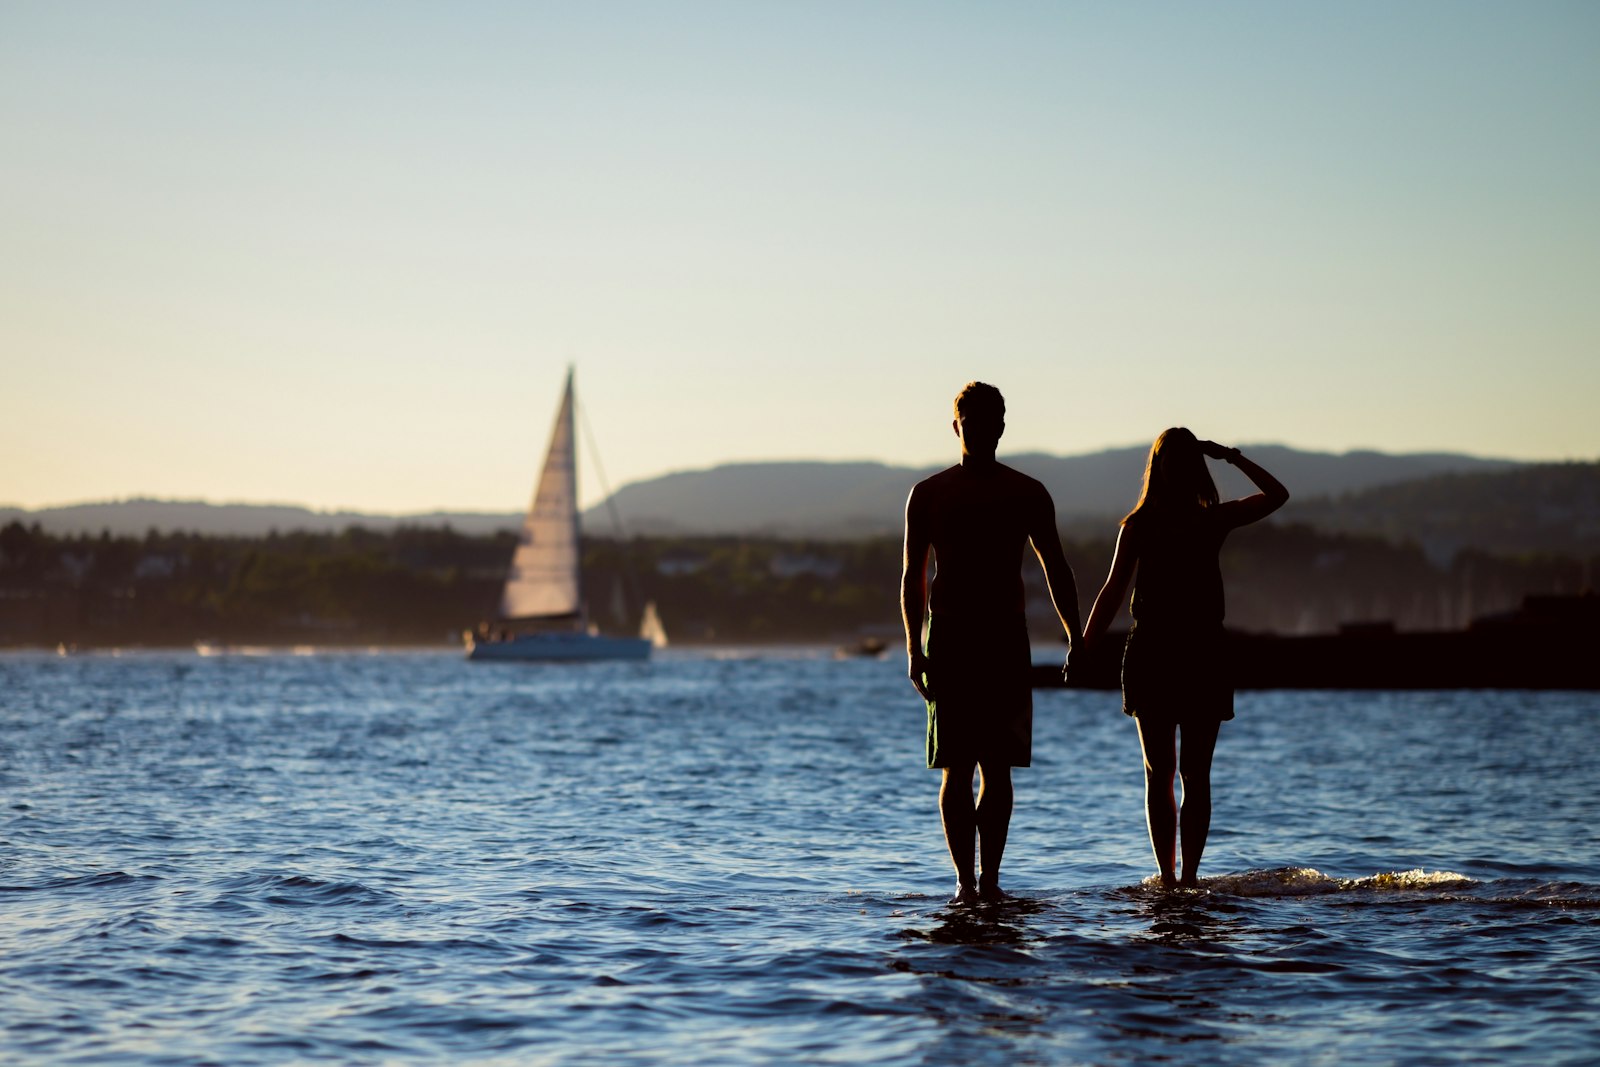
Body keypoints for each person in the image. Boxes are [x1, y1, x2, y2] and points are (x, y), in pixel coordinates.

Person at [1082, 429, 1288, 888]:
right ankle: (1182, 878)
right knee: (1189, 775)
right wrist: (1230, 458)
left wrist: (1084, 646)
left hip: (1175, 650)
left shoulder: (1173, 522)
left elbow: (1113, 590)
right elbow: (1277, 494)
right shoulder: (1186, 522)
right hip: (1182, 650)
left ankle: (1175, 879)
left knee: (1168, 775)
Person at [901, 382, 1081, 905]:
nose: (979, 431)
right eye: (970, 423)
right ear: (956, 427)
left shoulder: (1026, 491)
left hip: (1004, 635)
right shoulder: (929, 493)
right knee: (956, 766)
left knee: (997, 767)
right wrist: (914, 648)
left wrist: (1076, 637)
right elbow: (912, 575)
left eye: (989, 422)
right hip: (951, 635)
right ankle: (964, 883)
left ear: (1002, 426)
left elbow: (1057, 568)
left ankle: (991, 881)